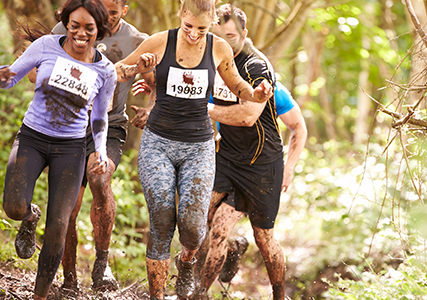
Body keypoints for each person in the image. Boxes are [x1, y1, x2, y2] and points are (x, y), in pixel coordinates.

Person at [114, 0, 273, 298]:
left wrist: (255, 93)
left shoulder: (218, 48)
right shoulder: (160, 41)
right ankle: (157, 295)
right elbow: (119, 71)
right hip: (158, 141)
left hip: (198, 146)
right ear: (181, 17)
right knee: (161, 217)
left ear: (211, 23)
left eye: (202, 28)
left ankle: (186, 261)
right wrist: (140, 67)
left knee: (192, 227)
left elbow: (238, 85)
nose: (194, 34)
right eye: (188, 27)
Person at [0, 0, 116, 298]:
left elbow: (100, 115)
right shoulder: (46, 46)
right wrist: (3, 77)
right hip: (33, 137)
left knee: (59, 226)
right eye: (74, 26)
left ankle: (40, 295)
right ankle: (28, 216)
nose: (80, 33)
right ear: (66, 23)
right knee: (12, 206)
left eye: (88, 28)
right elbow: (11, 77)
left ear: (99, 29)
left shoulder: (105, 70)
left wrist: (100, 150)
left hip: (71, 148)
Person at [196, 4, 307, 299]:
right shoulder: (209, 61)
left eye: (231, 35)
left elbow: (251, 117)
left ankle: (279, 295)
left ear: (244, 34)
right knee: (204, 222)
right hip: (228, 159)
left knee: (264, 237)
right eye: (218, 36)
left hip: (262, 165)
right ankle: (201, 290)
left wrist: (290, 167)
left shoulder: (257, 68)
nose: (224, 42)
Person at [46, 0, 155, 292]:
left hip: (110, 124)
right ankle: (69, 278)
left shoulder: (137, 40)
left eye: (113, 11)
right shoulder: (70, 27)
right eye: (100, 9)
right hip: (69, 125)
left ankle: (101, 264)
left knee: (99, 176)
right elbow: (41, 66)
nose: (105, 17)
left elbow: (156, 79)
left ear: (125, 8)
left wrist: (150, 107)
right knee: (69, 206)